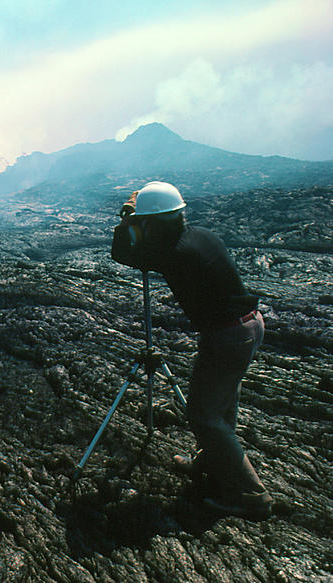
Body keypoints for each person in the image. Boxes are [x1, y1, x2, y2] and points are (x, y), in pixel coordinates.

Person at [111, 181, 272, 520]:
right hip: (247, 327)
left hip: (228, 337)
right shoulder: (199, 235)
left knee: (204, 416)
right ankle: (211, 466)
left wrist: (127, 218)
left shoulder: (173, 253)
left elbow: (121, 252)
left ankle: (251, 497)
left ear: (152, 223)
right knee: (222, 407)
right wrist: (138, 215)